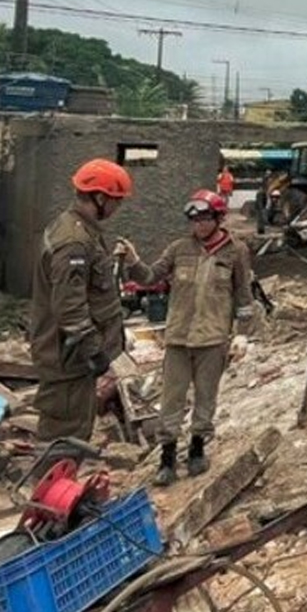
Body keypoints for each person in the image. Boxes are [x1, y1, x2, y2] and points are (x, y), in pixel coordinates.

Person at [116, 190, 255, 486]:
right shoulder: (179, 249)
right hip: (178, 337)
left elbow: (244, 295)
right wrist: (133, 260)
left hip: (213, 339)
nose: (199, 226)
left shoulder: (236, 251)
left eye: (205, 219)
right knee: (171, 400)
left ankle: (197, 450)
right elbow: (150, 277)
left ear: (218, 219)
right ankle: (167, 457)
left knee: (206, 398)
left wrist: (243, 336)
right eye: (194, 221)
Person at [30, 158, 140, 441]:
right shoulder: (74, 241)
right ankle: (53, 483)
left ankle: (62, 482)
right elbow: (70, 308)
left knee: (74, 432)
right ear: (100, 197)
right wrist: (94, 352)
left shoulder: (82, 231)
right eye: (116, 201)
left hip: (74, 360)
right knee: (64, 437)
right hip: (68, 360)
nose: (117, 208)